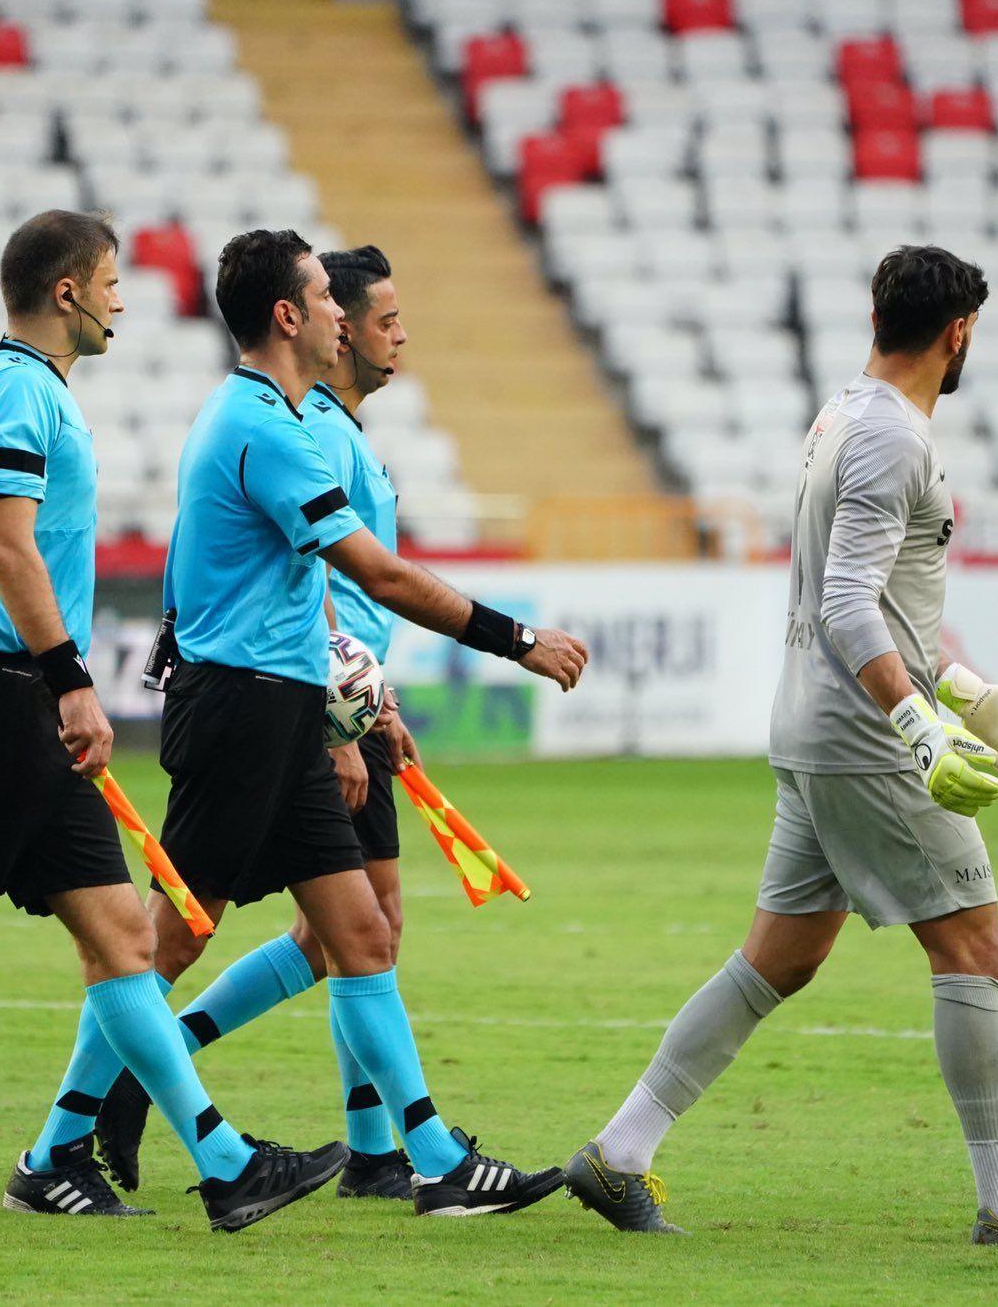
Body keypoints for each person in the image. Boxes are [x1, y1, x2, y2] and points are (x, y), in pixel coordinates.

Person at [561, 245, 998, 1250]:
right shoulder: (891, 439)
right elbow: (844, 602)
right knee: (970, 944)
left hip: (815, 721)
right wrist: (915, 723)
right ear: (958, 331)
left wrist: (959, 686)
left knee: (777, 958)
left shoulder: (844, 415)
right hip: (861, 737)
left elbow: (868, 592)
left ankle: (619, 1151)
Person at [0, 211, 337, 1239]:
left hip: (9, 694)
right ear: (67, 293)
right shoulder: (17, 395)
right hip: (9, 699)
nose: (121, 299)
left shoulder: (4, 394)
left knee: (123, 935)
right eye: (112, 282)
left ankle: (222, 1164)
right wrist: (62, 681)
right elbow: (5, 549)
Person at [31, 227, 590, 1218]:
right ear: (289, 315)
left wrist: (352, 707)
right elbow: (373, 575)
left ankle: (429, 1159)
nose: (347, 317)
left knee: (360, 933)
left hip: (281, 707)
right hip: (240, 708)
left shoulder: (274, 417)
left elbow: (321, 594)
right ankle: (56, 1145)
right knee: (166, 939)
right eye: (331, 302)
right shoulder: (269, 428)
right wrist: (515, 640)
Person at [95, 244, 424, 1200]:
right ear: (328, 324)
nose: (397, 333)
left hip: (326, 697)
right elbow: (333, 583)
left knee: (356, 932)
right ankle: (115, 1097)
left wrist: (368, 698)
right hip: (297, 702)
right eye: (378, 316)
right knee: (215, 931)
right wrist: (343, 720)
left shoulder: (330, 427)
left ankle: (378, 1153)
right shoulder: (300, 427)